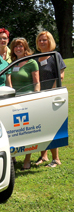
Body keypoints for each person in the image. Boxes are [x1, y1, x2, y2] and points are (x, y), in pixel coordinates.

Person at [6, 37, 40, 170]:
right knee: (14, 130)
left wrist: (36, 98)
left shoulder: (32, 63)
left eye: (21, 46)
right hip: (14, 100)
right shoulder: (12, 63)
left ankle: (27, 159)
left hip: (28, 98)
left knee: (27, 130)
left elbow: (36, 82)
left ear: (25, 48)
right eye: (15, 47)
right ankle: (13, 157)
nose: (18, 49)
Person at [34, 31, 66, 167]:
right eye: (40, 40)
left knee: (52, 127)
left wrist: (50, 93)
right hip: (38, 97)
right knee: (40, 127)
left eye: (45, 40)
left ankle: (56, 159)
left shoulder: (55, 56)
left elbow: (61, 75)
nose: (42, 42)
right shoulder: (36, 58)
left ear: (50, 41)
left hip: (52, 97)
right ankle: (43, 156)